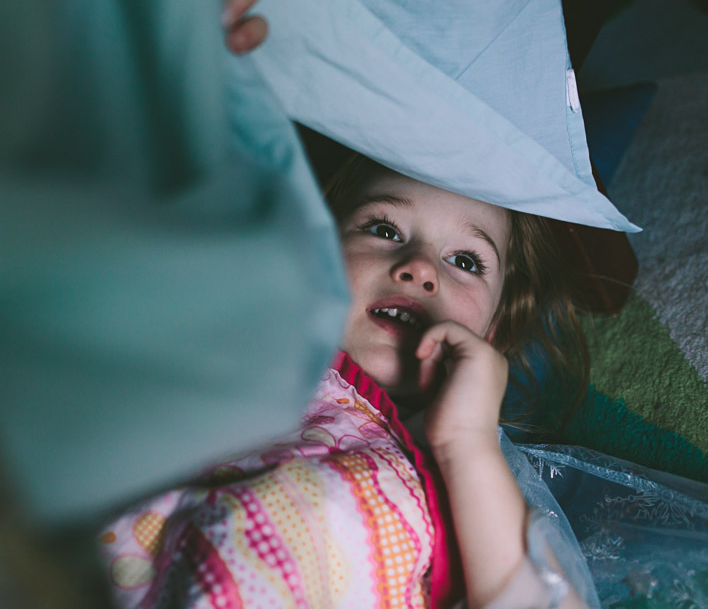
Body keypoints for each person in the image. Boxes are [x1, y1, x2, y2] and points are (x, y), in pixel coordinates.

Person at [97, 151, 596, 608]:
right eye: (383, 229)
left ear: (492, 332)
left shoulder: (473, 468)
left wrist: (467, 442)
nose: (420, 268)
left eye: (465, 261)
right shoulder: (237, 350)